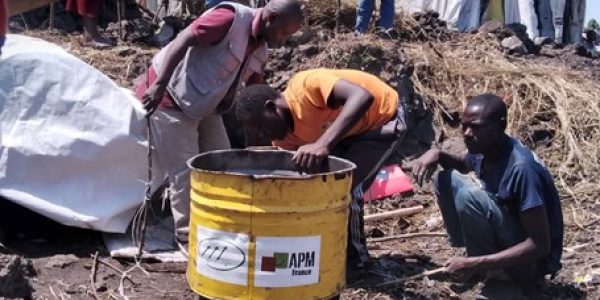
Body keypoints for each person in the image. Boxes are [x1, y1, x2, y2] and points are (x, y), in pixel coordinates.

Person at [135, 0, 303, 254]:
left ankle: (219, 225)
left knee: (224, 164)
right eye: (284, 32)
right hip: (172, 96)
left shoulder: (261, 50)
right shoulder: (229, 19)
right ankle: (188, 238)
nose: (283, 40)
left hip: (208, 105)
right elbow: (183, 40)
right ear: (271, 17)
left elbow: (254, 95)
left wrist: (260, 140)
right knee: (186, 172)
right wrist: (159, 85)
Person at [236, 68, 417, 268]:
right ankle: (326, 251)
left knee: (346, 186)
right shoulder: (283, 138)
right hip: (347, 131)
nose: (263, 134)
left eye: (261, 126)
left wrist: (324, 143)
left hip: (382, 118)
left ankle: (357, 262)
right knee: (322, 187)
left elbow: (362, 96)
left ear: (271, 108)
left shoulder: (307, 87)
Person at [411, 94, 563, 281]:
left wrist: (477, 262)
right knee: (446, 179)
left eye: (475, 127)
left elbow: (540, 246)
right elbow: (462, 164)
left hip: (533, 263)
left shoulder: (522, 169)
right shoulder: (486, 148)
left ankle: (492, 272)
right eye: (464, 126)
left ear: (500, 126)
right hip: (509, 236)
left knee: (470, 196)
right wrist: (437, 154)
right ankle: (477, 258)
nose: (466, 133)